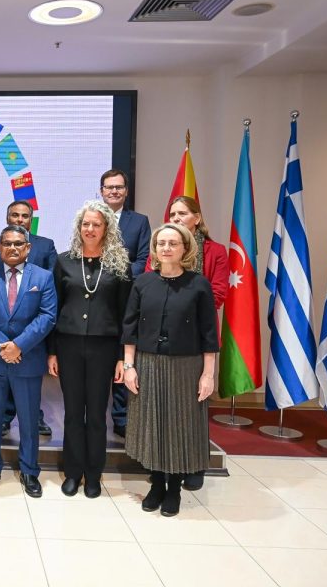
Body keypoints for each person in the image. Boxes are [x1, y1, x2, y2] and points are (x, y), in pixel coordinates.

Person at [120, 223, 218, 517]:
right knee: (153, 424)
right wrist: (129, 366)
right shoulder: (142, 283)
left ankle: (174, 488)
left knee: (178, 426)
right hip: (148, 364)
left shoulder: (198, 284)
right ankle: (157, 485)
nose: (166, 248)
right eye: (161, 243)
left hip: (186, 366)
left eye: (173, 243)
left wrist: (208, 374)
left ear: (185, 248)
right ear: (154, 248)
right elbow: (130, 328)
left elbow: (209, 333)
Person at [48, 201, 131, 499]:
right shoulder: (64, 261)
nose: (90, 229)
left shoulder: (119, 264)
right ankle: (73, 472)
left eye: (96, 224)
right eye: (86, 224)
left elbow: (125, 314)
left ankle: (94, 475)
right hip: (68, 345)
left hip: (103, 348)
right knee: (72, 413)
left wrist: (122, 357)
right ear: (78, 227)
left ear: (106, 228)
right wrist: (52, 352)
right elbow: (54, 308)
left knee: (96, 414)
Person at [0, 225, 56, 498]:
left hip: (27, 359)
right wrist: (2, 345)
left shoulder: (43, 277)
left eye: (18, 243)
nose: (13, 248)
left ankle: (30, 470)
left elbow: (47, 316)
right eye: (7, 243)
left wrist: (19, 345)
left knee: (29, 420)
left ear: (28, 248)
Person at [166, 195, 228, 491]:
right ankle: (165, 463)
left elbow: (218, 293)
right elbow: (151, 288)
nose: (176, 218)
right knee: (166, 404)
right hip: (164, 335)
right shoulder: (162, 248)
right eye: (172, 214)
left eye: (182, 213)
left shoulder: (215, 251)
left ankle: (194, 465)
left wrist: (182, 308)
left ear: (197, 218)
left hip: (198, 336)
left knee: (195, 404)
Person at [0, 200, 57, 437]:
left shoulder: (45, 245)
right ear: (7, 218)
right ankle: (5, 417)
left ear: (31, 220)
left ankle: (35, 417)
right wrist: (5, 343)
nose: (20, 219)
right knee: (1, 387)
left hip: (31, 330)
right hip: (0, 329)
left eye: (25, 216)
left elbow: (51, 280)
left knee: (29, 390)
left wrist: (23, 341)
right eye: (15, 215)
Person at [100, 169, 151, 440]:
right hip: (96, 297)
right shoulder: (92, 218)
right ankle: (94, 416)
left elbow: (143, 259)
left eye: (119, 187)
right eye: (109, 187)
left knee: (125, 355)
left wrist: (118, 275)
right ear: (102, 191)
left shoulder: (139, 221)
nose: (114, 191)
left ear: (126, 191)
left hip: (128, 297)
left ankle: (121, 418)